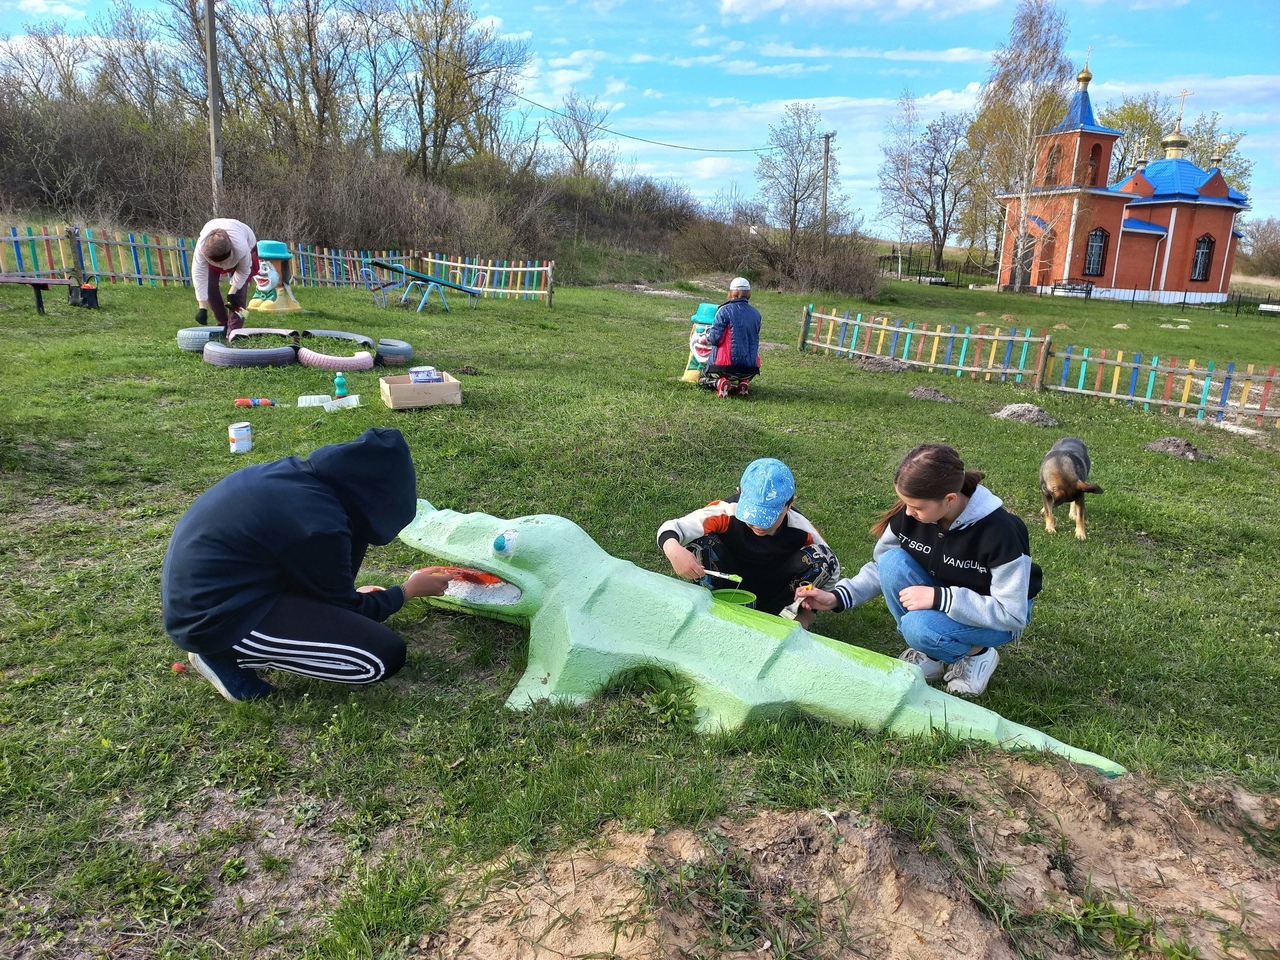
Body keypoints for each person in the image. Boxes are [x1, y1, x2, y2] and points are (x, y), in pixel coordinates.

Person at [161, 427, 455, 702]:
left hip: (221, 589)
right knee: (379, 659)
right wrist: (406, 591)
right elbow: (349, 608)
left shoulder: (300, 478)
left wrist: (344, 601)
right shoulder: (318, 526)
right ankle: (223, 654)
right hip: (214, 619)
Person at [796, 444, 1041, 697]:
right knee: (892, 561)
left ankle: (978, 654)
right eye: (905, 503)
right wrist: (836, 596)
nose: (909, 512)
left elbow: (1012, 614)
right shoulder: (912, 515)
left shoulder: (1001, 533)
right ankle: (931, 656)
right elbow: (881, 568)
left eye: (917, 507)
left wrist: (940, 598)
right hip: (942, 592)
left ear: (949, 500)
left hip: (997, 616)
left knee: (917, 626)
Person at [658, 457, 839, 625]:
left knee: (821, 558)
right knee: (701, 542)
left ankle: (782, 618)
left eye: (768, 517)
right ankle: (711, 607)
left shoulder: (800, 528)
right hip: (726, 581)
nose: (759, 524)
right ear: (739, 493)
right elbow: (674, 528)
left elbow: (831, 566)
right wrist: (674, 550)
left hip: (775, 590)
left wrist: (807, 616)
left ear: (790, 504)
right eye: (752, 514)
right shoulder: (726, 512)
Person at [192, 218, 259, 336]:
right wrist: (202, 307)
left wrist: (232, 292)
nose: (222, 267)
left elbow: (244, 272)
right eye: (218, 264)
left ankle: (235, 330)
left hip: (245, 238)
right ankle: (222, 324)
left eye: (223, 263)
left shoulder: (241, 248)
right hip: (216, 251)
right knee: (210, 287)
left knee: (239, 293)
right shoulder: (201, 249)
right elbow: (199, 275)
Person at [698, 277, 761, 398]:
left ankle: (719, 382)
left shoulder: (724, 311)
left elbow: (716, 338)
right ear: (749, 295)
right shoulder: (756, 314)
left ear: (731, 294)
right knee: (744, 373)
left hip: (725, 367)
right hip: (750, 369)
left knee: (702, 378)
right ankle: (744, 382)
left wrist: (706, 338)